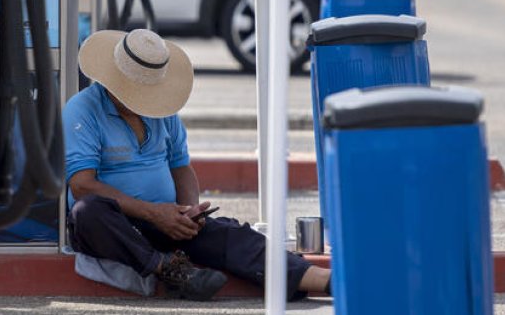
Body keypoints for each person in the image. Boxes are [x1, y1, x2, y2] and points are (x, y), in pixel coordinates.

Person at [64, 28, 333, 302]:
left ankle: (323, 279)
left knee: (231, 235)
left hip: (166, 221)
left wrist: (188, 213)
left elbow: (181, 168)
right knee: (88, 212)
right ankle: (169, 270)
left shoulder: (161, 110)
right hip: (118, 225)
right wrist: (154, 213)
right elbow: (82, 185)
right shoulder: (82, 110)